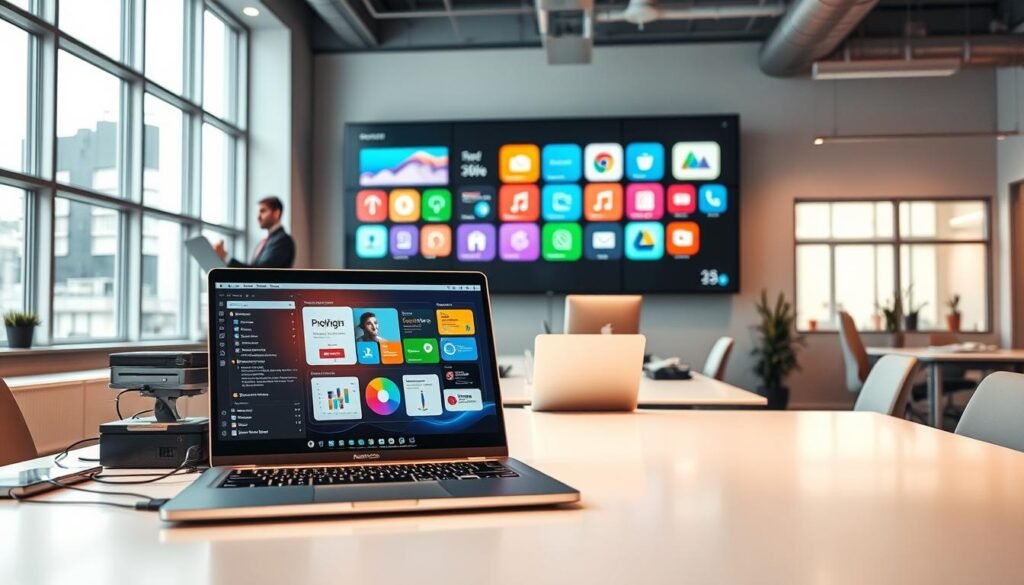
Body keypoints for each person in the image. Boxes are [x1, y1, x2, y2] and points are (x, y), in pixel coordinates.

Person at [214, 196, 295, 268]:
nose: (258, 217)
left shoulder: (282, 240)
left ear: (276, 213)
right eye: (258, 212)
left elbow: (258, 273)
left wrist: (225, 257)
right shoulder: (266, 241)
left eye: (263, 211)